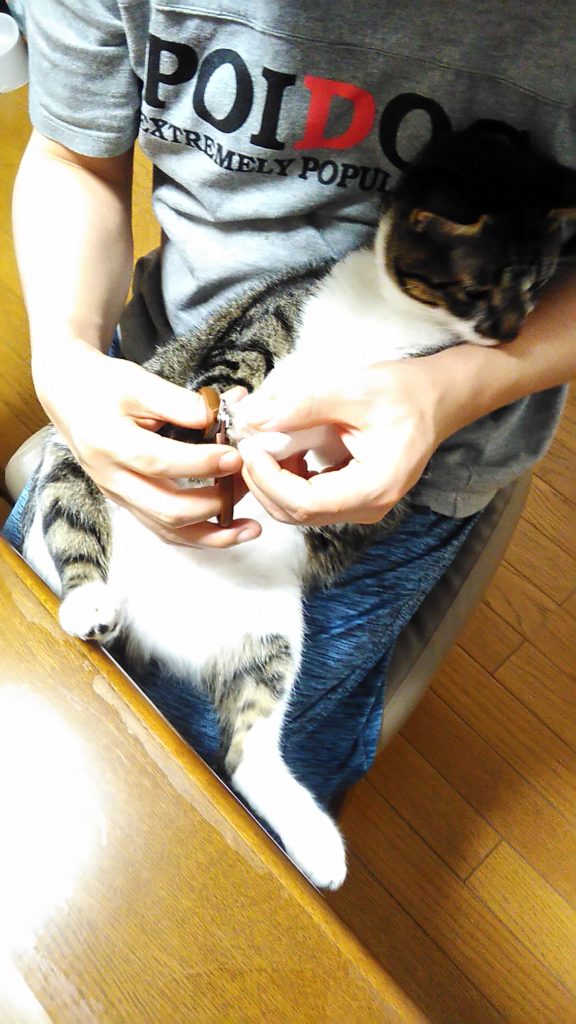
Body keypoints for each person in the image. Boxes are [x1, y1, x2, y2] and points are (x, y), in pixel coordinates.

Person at [4, 2, 576, 807]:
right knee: (31, 701)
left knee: (215, 799)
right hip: (166, 367)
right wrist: (67, 359)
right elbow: (74, 156)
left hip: (426, 458)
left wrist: (453, 392)